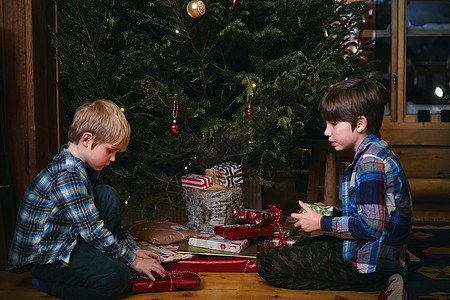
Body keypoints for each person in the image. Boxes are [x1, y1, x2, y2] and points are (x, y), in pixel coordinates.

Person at [257, 78, 413, 296]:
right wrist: (330, 213)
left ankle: (372, 283)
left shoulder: (370, 163)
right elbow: (375, 214)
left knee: (267, 263)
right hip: (373, 252)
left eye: (333, 124)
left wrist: (322, 222)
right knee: (300, 248)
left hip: (370, 265)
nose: (326, 132)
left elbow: (371, 227)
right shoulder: (376, 150)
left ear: (359, 124)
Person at [6, 99, 167, 299]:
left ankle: (110, 258)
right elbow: (92, 231)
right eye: (110, 151)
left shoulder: (84, 167)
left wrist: (132, 250)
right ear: (87, 140)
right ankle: (49, 284)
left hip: (68, 238)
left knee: (106, 195)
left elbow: (94, 220)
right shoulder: (68, 174)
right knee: (117, 277)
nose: (113, 158)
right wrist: (132, 260)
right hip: (46, 258)